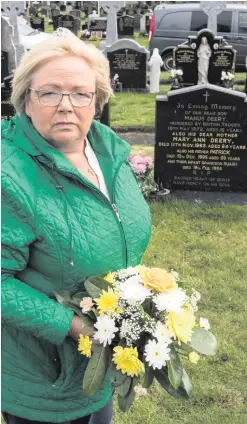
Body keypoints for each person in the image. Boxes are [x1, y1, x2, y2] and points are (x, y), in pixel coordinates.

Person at [1, 29, 152, 424]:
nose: (66, 106)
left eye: (81, 93)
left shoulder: (108, 152)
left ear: (97, 101)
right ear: (25, 103)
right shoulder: (8, 177)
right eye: (49, 92)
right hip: (44, 379)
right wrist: (73, 326)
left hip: (99, 358)